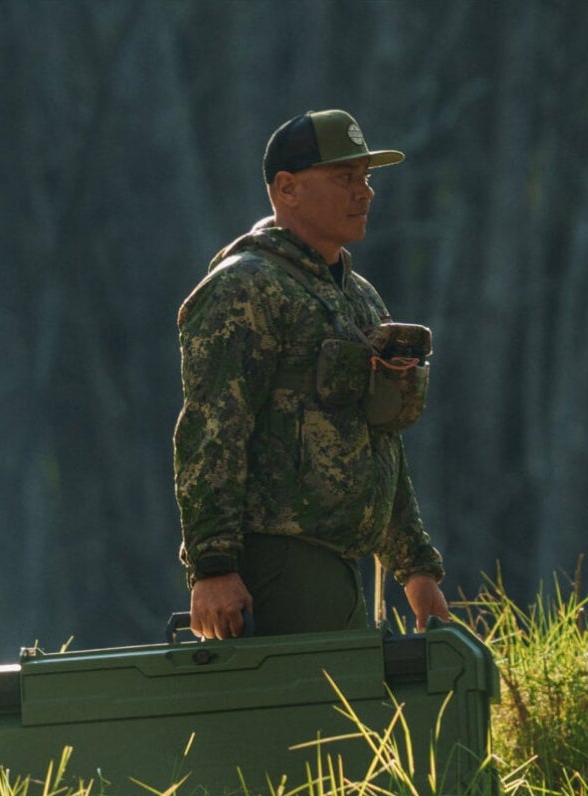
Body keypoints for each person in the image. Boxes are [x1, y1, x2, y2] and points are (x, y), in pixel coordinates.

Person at [174, 109, 451, 640]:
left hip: (347, 562)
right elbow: (212, 429)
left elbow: (381, 438)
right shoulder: (245, 287)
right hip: (282, 562)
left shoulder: (359, 297)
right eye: (345, 178)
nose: (364, 193)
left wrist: (415, 567)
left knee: (358, 721)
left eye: (366, 179)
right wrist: (213, 568)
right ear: (287, 189)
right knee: (324, 721)